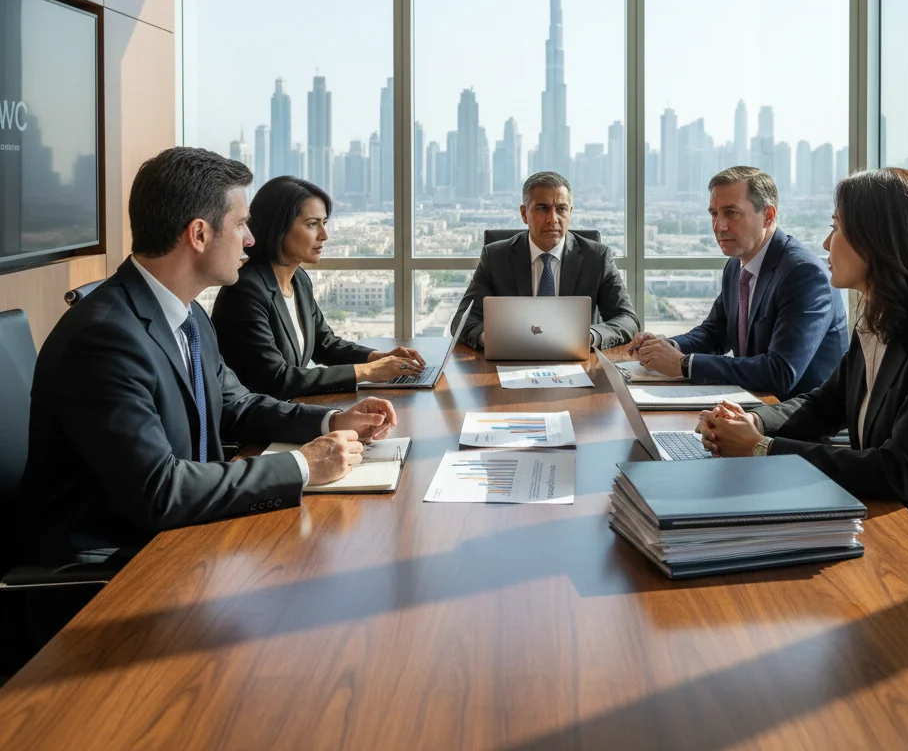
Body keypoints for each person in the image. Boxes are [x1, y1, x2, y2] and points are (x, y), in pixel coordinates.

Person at [21, 148, 397, 568]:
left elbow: (237, 404)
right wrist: (303, 465)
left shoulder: (189, 313)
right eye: (240, 224)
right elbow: (161, 491)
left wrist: (332, 420)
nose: (251, 240)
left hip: (188, 535)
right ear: (199, 234)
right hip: (116, 565)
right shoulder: (104, 338)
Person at [696, 167, 908, 557]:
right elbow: (823, 405)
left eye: (837, 228)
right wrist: (752, 421)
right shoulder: (878, 323)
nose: (826, 242)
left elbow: (898, 470)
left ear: (878, 241)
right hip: (886, 526)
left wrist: (761, 447)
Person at [626, 166, 847, 400]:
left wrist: (684, 364)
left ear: (768, 216)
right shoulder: (736, 265)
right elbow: (714, 334)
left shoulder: (803, 273)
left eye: (731, 213)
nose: (719, 226)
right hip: (753, 404)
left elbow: (780, 372)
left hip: (799, 421)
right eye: (714, 213)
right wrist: (666, 346)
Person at [212, 176, 425, 398]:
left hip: (292, 410)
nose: (324, 235)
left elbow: (325, 345)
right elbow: (276, 379)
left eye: (324, 223)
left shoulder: (299, 280)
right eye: (312, 224)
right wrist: (368, 371)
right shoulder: (245, 292)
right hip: (260, 425)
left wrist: (377, 358)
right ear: (277, 227)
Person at [455, 170, 639, 350]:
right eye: (542, 208)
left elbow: (627, 319)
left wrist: (591, 337)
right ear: (524, 214)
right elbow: (463, 319)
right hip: (511, 358)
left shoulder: (597, 258)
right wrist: (494, 339)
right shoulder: (496, 257)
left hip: (578, 360)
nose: (553, 219)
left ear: (570, 212)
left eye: (561, 209)